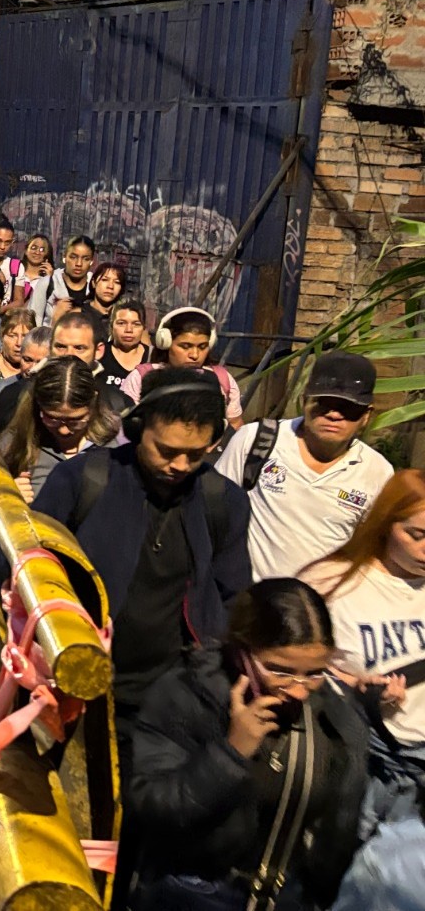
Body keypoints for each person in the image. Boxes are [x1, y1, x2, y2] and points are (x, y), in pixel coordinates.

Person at [124, 578, 368, 911]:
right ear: (243, 652)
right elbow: (152, 808)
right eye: (280, 670)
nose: (298, 690)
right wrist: (230, 753)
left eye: (314, 673)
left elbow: (337, 832)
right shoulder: (187, 695)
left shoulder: (335, 718)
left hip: (282, 897)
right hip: (193, 892)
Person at [24, 366, 251, 723]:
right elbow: (25, 566)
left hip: (175, 704)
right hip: (77, 691)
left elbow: (233, 598)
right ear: (136, 429)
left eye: (195, 455)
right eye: (166, 450)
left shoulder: (224, 501)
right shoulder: (81, 480)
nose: (179, 465)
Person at [305, 470, 425, 831]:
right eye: (416, 535)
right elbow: (290, 665)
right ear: (386, 525)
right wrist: (354, 688)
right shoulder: (329, 582)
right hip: (361, 758)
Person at [216, 352, 393, 582]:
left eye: (348, 408)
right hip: (251, 605)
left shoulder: (378, 472)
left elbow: (373, 552)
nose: (333, 414)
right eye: (323, 403)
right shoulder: (256, 441)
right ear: (304, 401)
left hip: (324, 611)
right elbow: (214, 512)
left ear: (366, 415)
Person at [0, 356, 121, 503]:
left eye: (75, 421)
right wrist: (4, 498)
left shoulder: (118, 441)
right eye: (52, 419)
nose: (64, 430)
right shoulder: (14, 443)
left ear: (93, 403)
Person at [0, 311, 132, 438]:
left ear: (98, 351)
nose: (69, 355)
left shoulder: (116, 404)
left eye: (79, 348)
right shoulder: (16, 396)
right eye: (60, 347)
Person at [120, 307, 244, 428]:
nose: (194, 355)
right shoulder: (141, 377)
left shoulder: (222, 379)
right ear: (165, 342)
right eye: (185, 346)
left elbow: (235, 424)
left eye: (202, 347)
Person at [28, 235, 94, 321]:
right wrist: (56, 317)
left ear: (91, 261)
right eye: (73, 257)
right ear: (65, 256)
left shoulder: (96, 285)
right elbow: (33, 321)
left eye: (85, 259)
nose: (79, 263)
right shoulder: (48, 283)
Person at [99, 298, 151, 388]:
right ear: (111, 325)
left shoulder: (152, 357)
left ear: (143, 328)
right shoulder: (100, 354)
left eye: (136, 324)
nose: (129, 330)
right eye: (121, 323)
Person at [78, 262, 125, 340]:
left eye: (117, 282)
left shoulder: (126, 316)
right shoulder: (79, 313)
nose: (110, 286)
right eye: (105, 280)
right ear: (93, 282)